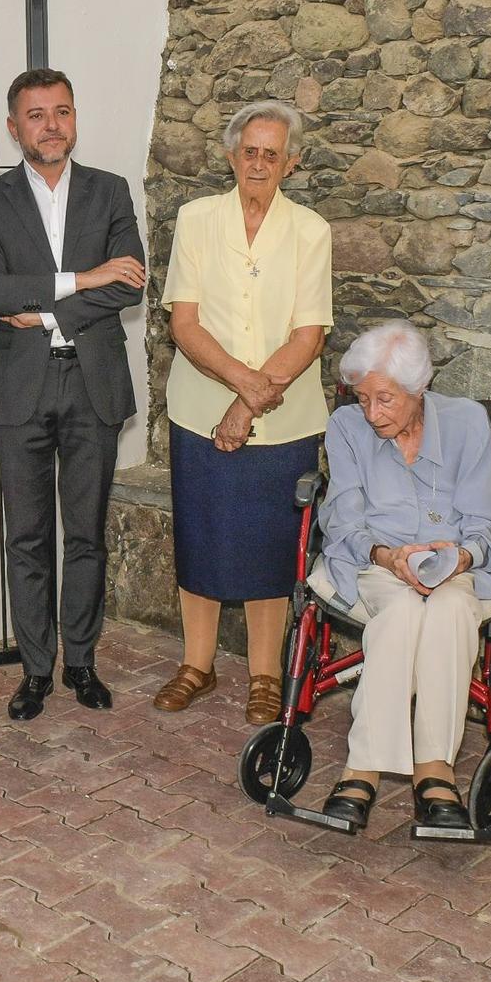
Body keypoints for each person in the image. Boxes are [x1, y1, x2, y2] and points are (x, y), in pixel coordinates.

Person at [0, 68, 146, 721]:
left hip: (92, 384)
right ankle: (36, 670)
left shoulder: (110, 191)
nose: (51, 124)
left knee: (86, 535)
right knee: (29, 538)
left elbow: (130, 284)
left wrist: (45, 310)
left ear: (75, 119)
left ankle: (83, 663)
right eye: (36, 114)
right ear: (14, 128)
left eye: (62, 111)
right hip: (20, 392)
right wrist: (83, 277)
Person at [155, 100, 331, 725]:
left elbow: (309, 335)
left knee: (271, 547)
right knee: (201, 537)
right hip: (202, 409)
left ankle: (264, 675)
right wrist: (241, 392)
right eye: (248, 152)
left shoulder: (311, 230)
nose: (259, 164)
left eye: (272, 154)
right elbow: (185, 323)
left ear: (293, 161)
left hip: (286, 419)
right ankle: (195, 665)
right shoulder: (197, 219)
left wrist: (249, 403)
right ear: (230, 157)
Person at [313, 322, 491, 833]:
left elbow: (488, 519)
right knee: (400, 613)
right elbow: (343, 517)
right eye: (362, 399)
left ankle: (433, 771)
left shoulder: (468, 424)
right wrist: (387, 555)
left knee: (447, 612)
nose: (372, 414)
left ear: (418, 390)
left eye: (385, 399)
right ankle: (364, 769)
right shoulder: (347, 428)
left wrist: (460, 558)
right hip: (374, 564)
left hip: (454, 566)